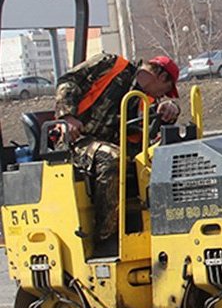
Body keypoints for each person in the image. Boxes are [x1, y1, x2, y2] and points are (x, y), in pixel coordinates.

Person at [55, 53, 181, 245]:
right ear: (162, 77)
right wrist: (67, 117)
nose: (163, 96)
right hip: (75, 141)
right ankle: (106, 239)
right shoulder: (110, 65)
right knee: (112, 157)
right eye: (166, 90)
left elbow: (143, 129)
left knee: (157, 159)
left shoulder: (143, 99)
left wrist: (170, 109)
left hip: (106, 146)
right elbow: (68, 81)